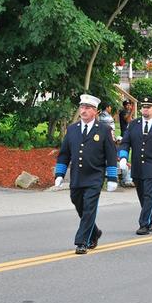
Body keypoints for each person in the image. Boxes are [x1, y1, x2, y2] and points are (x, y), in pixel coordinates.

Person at [53, 94, 118, 255]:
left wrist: (112, 177)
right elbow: (64, 154)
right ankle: (94, 232)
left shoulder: (104, 130)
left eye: (88, 108)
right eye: (82, 107)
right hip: (77, 176)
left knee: (89, 207)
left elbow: (111, 155)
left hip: (95, 176)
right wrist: (59, 174)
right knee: (77, 203)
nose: (84, 110)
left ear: (95, 111)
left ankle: (82, 241)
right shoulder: (72, 129)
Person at [118, 97, 152, 235]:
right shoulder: (134, 124)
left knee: (148, 195)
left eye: (149, 107)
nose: (146, 109)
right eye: (143, 107)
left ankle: (143, 224)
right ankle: (150, 220)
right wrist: (123, 157)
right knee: (142, 195)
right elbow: (125, 142)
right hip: (137, 165)